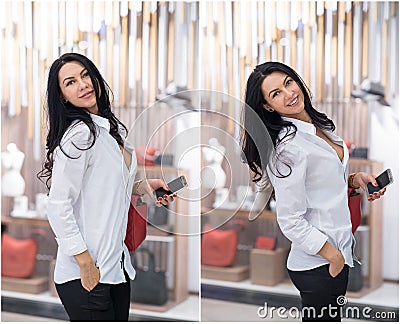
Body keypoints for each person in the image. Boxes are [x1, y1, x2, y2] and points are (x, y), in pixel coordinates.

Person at [241, 61, 386, 321]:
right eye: (276, 94)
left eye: (288, 83)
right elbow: (290, 220)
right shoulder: (288, 148)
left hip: (334, 254)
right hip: (318, 262)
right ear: (267, 106)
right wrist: (333, 256)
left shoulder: (319, 126)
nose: (289, 93)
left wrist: (355, 180)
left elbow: (321, 182)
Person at [38, 52, 174, 321]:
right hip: (87, 272)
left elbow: (111, 183)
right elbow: (57, 206)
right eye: (70, 82)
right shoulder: (79, 136)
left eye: (85, 75)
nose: (83, 84)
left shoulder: (114, 130)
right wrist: (86, 263)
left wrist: (145, 186)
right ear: (63, 96)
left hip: (117, 267)